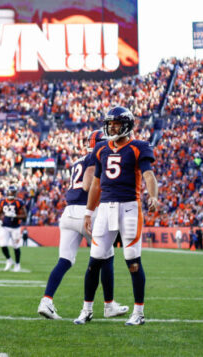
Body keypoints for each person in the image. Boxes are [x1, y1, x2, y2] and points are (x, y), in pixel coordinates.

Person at [75, 106, 160, 326]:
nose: (112, 127)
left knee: (132, 261)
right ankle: (86, 310)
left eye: (116, 124)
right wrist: (88, 211)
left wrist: (152, 196)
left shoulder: (138, 147)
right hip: (104, 209)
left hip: (130, 207)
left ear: (128, 125)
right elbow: (95, 183)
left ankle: (139, 313)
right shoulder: (101, 148)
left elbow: (149, 175)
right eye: (110, 123)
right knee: (94, 262)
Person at [38, 130, 128, 320]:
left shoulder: (79, 160)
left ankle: (46, 301)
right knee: (107, 257)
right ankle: (108, 304)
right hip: (88, 212)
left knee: (65, 260)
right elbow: (88, 184)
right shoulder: (99, 156)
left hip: (69, 212)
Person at [0, 186, 27, 272]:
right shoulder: (3, 202)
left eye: (13, 192)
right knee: (2, 244)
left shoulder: (19, 202)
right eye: (10, 192)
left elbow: (25, 216)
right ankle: (9, 260)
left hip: (15, 227)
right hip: (5, 226)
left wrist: (16, 216)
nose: (11, 194)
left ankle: (17, 264)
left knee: (16, 246)